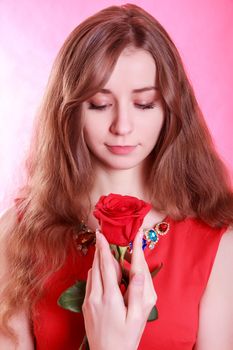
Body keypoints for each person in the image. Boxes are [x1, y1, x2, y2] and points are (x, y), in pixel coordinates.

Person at [0, 3, 233, 349]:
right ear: (69, 110)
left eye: (144, 104)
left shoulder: (215, 242)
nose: (122, 126)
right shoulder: (18, 234)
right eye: (98, 103)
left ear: (170, 108)